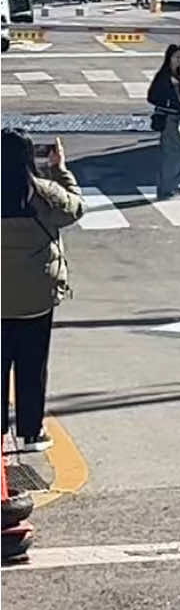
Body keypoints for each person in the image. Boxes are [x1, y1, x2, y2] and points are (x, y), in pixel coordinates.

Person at [1, 130, 83, 452]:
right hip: (36, 297)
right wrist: (59, 169)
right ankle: (32, 431)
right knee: (33, 364)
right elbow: (76, 208)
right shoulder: (44, 195)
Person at [147, 44, 180, 200]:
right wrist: (169, 103)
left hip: (177, 118)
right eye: (177, 57)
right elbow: (152, 96)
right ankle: (169, 188)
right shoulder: (164, 75)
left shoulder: (178, 73)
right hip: (168, 118)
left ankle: (173, 187)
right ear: (169, 57)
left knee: (174, 153)